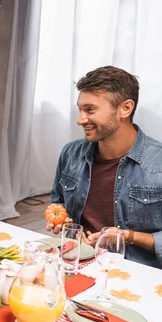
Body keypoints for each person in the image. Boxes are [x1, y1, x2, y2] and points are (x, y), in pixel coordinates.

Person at [47, 66, 162, 267]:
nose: (80, 119)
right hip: (78, 263)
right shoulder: (71, 153)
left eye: (90, 110)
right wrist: (65, 224)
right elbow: (58, 202)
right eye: (80, 109)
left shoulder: (158, 162)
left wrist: (127, 236)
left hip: (138, 274)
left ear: (125, 108)